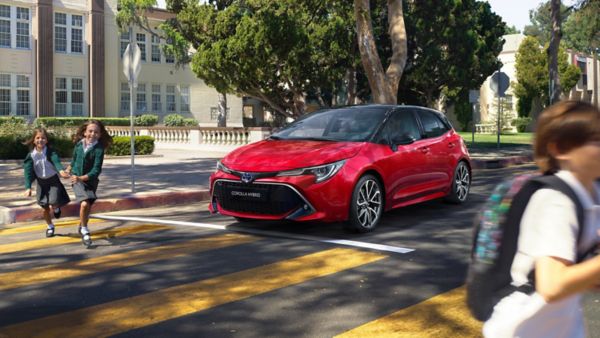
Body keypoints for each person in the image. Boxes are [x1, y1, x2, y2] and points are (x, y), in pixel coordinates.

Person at [483, 100, 600, 338]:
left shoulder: (591, 191)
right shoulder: (555, 201)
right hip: (524, 329)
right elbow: (552, 284)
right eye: (595, 140)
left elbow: (577, 269)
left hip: (562, 326)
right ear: (559, 149)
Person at [63, 120, 112, 247]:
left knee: (88, 206)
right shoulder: (79, 145)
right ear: (85, 132)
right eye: (90, 131)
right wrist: (68, 169)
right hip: (77, 180)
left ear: (100, 134)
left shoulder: (99, 149)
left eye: (96, 132)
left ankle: (82, 224)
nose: (92, 134)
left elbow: (96, 170)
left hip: (90, 181)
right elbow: (74, 160)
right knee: (84, 204)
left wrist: (82, 178)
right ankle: (85, 230)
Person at [23, 128, 70, 237]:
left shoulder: (50, 152)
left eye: (43, 138)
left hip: (53, 181)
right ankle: (50, 226)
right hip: (41, 183)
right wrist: (28, 187)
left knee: (53, 201)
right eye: (38, 138)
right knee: (44, 207)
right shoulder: (31, 156)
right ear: (34, 140)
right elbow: (28, 172)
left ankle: (56, 207)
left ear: (47, 140)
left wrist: (61, 171)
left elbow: (56, 161)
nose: (40, 140)